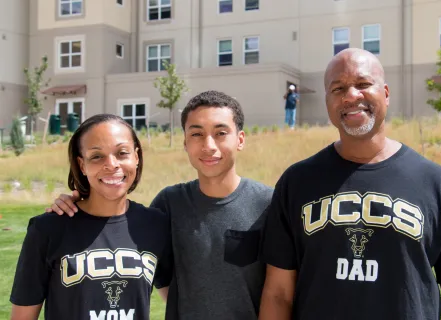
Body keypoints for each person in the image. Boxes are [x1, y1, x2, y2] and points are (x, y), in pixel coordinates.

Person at [258, 48, 441, 320]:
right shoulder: (297, 182)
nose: (351, 96)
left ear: (385, 93)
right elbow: (279, 294)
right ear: (328, 101)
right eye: (338, 88)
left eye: (363, 84)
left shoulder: (436, 183)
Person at [46, 91, 273, 320]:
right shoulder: (169, 204)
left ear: (240, 139)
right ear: (185, 142)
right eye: (196, 134)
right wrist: (75, 202)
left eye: (221, 133)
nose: (208, 145)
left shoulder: (268, 204)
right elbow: (130, 243)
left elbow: (282, 289)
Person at [10, 114, 173, 320]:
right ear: (81, 164)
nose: (111, 164)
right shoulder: (48, 229)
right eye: (97, 156)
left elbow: (182, 303)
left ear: (136, 157)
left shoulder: (156, 225)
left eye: (122, 153)